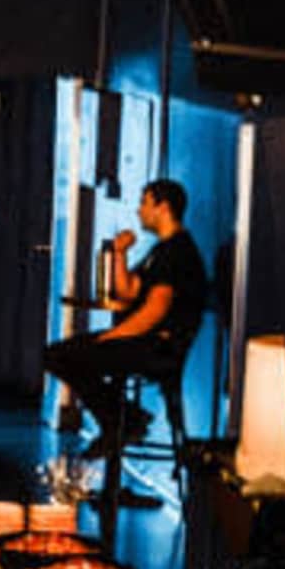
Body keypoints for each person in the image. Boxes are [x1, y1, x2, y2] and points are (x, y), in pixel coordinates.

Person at [45, 175, 208, 461]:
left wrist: (111, 337)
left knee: (63, 355)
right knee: (58, 354)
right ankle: (122, 420)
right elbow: (129, 292)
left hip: (157, 348)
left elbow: (154, 311)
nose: (139, 210)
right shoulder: (160, 251)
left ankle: (122, 422)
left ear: (163, 207)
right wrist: (119, 253)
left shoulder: (177, 252)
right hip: (145, 343)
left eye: (144, 203)